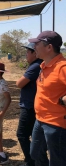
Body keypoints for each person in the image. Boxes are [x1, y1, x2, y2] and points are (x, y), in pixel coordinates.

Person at [28, 31, 66, 166]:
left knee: (58, 161)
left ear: (49, 47)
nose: (34, 47)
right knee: (35, 153)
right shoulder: (43, 66)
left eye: (37, 44)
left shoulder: (62, 67)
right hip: (40, 120)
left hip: (56, 124)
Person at [16, 43, 42, 166]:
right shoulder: (36, 65)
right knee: (33, 134)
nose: (26, 54)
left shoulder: (35, 66)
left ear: (35, 53)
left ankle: (31, 161)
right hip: (32, 104)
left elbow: (19, 83)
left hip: (29, 106)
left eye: (28, 52)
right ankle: (37, 160)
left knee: (22, 134)